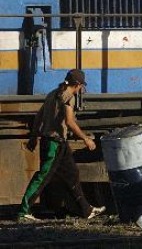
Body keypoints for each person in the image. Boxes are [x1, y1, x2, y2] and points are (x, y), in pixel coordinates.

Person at [17, 69, 106, 222]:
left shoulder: (52, 94)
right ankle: (23, 212)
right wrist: (86, 138)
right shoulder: (68, 97)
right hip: (54, 144)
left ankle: (86, 210)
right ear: (77, 84)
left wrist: (34, 136)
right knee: (43, 177)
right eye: (81, 86)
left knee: (72, 174)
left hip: (57, 143)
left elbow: (39, 116)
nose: (80, 90)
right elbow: (70, 121)